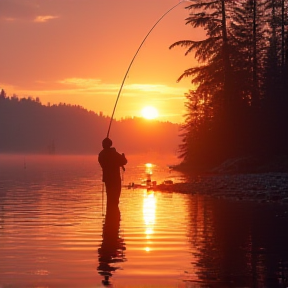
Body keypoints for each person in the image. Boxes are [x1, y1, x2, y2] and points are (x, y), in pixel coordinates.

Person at [98, 137, 127, 208]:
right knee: (115, 197)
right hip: (115, 179)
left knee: (109, 197)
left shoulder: (101, 154)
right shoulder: (113, 153)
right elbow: (124, 161)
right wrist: (123, 157)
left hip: (107, 179)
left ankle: (110, 215)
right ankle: (114, 215)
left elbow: (104, 163)